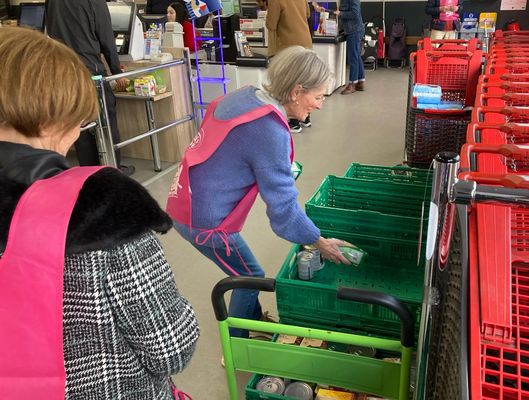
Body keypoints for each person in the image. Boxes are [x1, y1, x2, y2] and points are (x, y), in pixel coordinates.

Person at [0, 27, 199, 399]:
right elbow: (170, 346)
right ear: (48, 119)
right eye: (78, 122)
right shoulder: (101, 206)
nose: (76, 135)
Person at [167, 46, 351, 341]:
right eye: (317, 97)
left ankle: (252, 320)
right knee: (250, 277)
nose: (319, 105)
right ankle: (237, 344)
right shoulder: (270, 131)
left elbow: (237, 150)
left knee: (245, 272)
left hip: (185, 198)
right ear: (295, 91)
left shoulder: (247, 96)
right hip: (205, 222)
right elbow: (284, 212)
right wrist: (319, 241)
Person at [45, 0, 135, 176]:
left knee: (80, 123)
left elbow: (50, 32)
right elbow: (107, 38)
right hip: (89, 70)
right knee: (106, 119)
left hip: (64, 71)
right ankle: (112, 171)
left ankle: (89, 173)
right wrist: (117, 71)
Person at [265, 0, 313, 133]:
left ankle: (293, 121)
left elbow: (271, 24)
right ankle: (305, 117)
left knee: (289, 84)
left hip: (288, 46)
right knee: (302, 82)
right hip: (305, 43)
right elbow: (307, 14)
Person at [334, 0, 365, 95]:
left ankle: (352, 83)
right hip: (352, 29)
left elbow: (355, 13)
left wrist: (341, 13)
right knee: (356, 56)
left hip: (354, 30)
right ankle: (360, 81)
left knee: (353, 57)